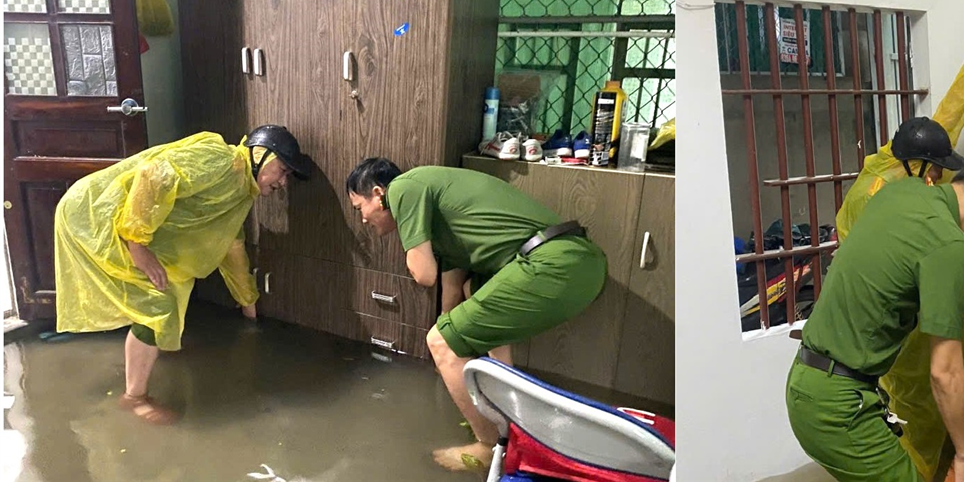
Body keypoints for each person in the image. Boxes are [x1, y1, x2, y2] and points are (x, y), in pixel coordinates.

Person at [833, 20, 964, 482]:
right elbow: (900, 263)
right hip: (905, 335)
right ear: (914, 165)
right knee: (917, 417)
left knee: (942, 405)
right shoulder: (875, 195)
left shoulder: (911, 162)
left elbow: (947, 122)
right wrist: (962, 246)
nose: (936, 181)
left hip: (938, 323)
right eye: (932, 173)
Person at [345, 158, 608, 473]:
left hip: (555, 264)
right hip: (573, 262)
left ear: (378, 194)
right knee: (472, 293)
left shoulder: (404, 187)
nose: (362, 220)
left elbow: (424, 274)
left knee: (440, 341)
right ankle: (506, 419)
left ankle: (489, 446)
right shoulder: (440, 220)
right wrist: (445, 356)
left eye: (360, 207)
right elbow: (451, 293)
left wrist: (443, 346)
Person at [786, 155, 964, 482]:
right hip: (838, 406)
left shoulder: (901, 194)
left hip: (807, 381)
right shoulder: (948, 245)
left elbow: (914, 244)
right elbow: (945, 373)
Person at [53, 126, 312, 425]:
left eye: (287, 176)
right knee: (157, 305)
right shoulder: (221, 161)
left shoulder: (240, 192)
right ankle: (134, 398)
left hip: (121, 224)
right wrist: (137, 244)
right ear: (259, 155)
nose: (282, 182)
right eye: (281, 170)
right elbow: (156, 174)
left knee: (173, 286)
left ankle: (150, 351)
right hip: (94, 216)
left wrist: (248, 305)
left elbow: (231, 247)